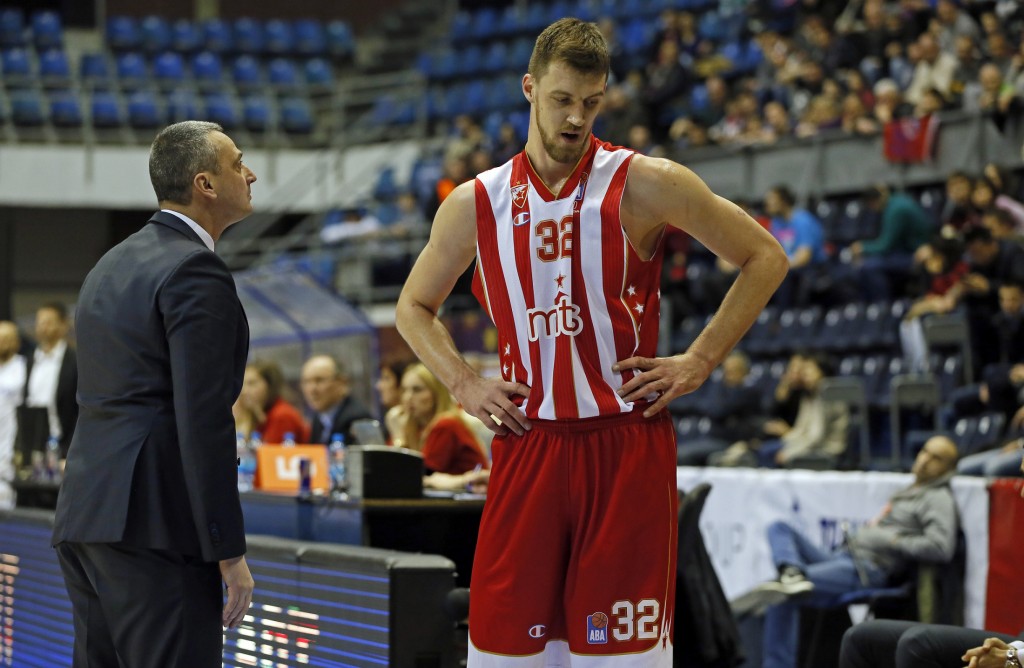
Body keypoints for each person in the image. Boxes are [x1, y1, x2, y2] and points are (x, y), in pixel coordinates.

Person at [395, 17, 787, 665]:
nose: (576, 117)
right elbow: (413, 306)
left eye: (591, 102)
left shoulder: (646, 181)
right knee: (502, 654)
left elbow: (765, 256)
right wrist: (462, 382)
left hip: (624, 446)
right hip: (529, 444)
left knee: (618, 656)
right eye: (561, 100)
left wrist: (700, 359)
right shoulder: (476, 202)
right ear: (529, 89)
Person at [51, 121, 256, 667]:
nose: (251, 174)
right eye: (238, 163)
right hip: (154, 524)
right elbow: (202, 418)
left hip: (86, 514)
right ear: (204, 184)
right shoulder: (195, 268)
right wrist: (227, 548)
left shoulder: (109, 264)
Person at [734, 435, 960, 668]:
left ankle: (789, 594)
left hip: (869, 568)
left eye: (936, 458)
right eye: (924, 451)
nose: (925, 460)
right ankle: (792, 572)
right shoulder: (912, 489)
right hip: (845, 556)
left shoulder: (938, 498)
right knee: (779, 527)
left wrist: (892, 540)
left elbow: (941, 547)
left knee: (781, 593)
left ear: (949, 468)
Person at [838, 451, 1024, 668]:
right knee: (861, 638)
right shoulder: (906, 493)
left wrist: (1012, 659)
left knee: (917, 643)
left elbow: (940, 547)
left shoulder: (938, 498)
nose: (1021, 492)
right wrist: (1014, 651)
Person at [399, 362, 489, 476]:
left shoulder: (446, 424)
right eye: (404, 390)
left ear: (436, 393)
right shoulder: (416, 427)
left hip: (474, 486)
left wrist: (398, 437)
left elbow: (418, 476)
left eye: (417, 390)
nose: (408, 397)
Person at [847, 183, 934, 301]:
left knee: (868, 266)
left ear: (872, 202)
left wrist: (861, 247)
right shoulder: (895, 202)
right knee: (864, 264)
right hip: (906, 250)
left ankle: (882, 305)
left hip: (916, 254)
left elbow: (885, 245)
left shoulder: (895, 209)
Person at [24, 302, 78, 456]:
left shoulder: (75, 361)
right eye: (39, 322)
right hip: (35, 444)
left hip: (64, 443)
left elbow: (77, 409)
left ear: (64, 325)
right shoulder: (30, 361)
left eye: (48, 322)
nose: (43, 327)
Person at [300, 354, 372, 445]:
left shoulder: (356, 419)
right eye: (306, 382)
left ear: (342, 383)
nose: (312, 389)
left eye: (319, 380)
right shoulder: (319, 418)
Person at [233, 359, 310, 444]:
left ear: (270, 385)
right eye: (243, 384)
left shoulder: (282, 415)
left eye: (252, 383)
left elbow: (269, 451)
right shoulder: (259, 414)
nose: (244, 391)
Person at [0, 321, 25, 510]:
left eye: (7, 339)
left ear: (16, 342)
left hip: (11, 442)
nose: (3, 343)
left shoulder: (23, 366)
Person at [377, 358, 411, 445]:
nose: (379, 386)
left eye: (386, 379)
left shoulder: (411, 422)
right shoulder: (391, 417)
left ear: (402, 384)